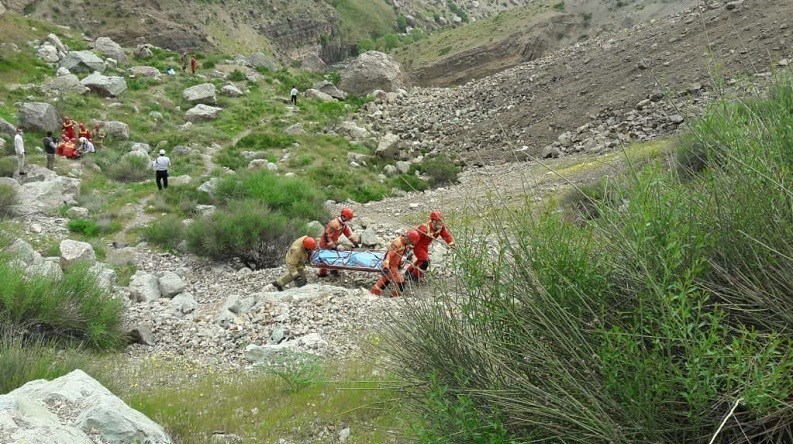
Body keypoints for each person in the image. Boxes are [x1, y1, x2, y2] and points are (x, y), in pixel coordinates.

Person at [406, 210, 456, 281]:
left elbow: (446, 235)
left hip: (425, 246)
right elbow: (415, 238)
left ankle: (408, 272)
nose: (440, 224)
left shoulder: (440, 227)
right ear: (433, 221)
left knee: (420, 260)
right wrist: (409, 249)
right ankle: (415, 276)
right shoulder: (424, 229)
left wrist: (451, 243)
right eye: (439, 222)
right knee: (425, 261)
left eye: (441, 221)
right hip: (418, 247)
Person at [370, 229, 421, 297]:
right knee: (399, 283)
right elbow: (389, 254)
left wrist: (404, 259)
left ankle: (375, 295)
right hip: (390, 266)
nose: (410, 245)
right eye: (411, 243)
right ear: (408, 239)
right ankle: (376, 296)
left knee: (386, 281)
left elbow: (398, 256)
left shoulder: (404, 243)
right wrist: (386, 267)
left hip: (394, 266)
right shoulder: (397, 243)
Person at [318, 207, 361, 277]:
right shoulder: (334, 224)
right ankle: (322, 273)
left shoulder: (343, 225)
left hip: (332, 242)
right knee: (326, 258)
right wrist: (332, 246)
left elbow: (349, 234)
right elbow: (327, 236)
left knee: (334, 255)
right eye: (350, 218)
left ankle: (333, 270)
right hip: (325, 243)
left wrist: (355, 242)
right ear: (345, 217)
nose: (350, 220)